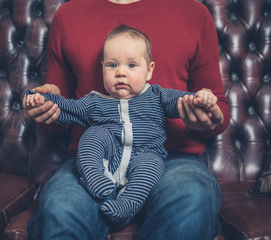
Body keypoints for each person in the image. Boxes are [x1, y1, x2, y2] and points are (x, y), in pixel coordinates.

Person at [24, 0, 230, 239]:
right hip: (95, 159)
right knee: (60, 209)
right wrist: (44, 105)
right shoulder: (68, 14)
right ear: (103, 66)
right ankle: (94, 178)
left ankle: (126, 204)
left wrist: (204, 111)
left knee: (192, 197)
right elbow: (65, 107)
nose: (121, 72)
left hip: (167, 157)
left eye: (132, 65)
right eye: (112, 65)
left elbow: (211, 105)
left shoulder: (194, 12)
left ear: (149, 69)